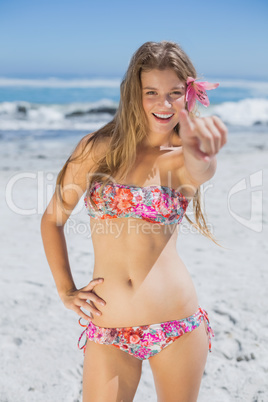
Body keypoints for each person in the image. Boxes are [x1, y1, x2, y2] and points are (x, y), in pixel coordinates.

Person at [41, 41, 227, 402]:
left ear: (189, 95)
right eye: (151, 92)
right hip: (109, 328)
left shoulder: (183, 158)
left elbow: (202, 169)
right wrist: (65, 289)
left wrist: (201, 151)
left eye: (175, 93)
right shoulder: (96, 148)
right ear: (133, 94)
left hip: (176, 325)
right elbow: (53, 219)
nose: (163, 103)